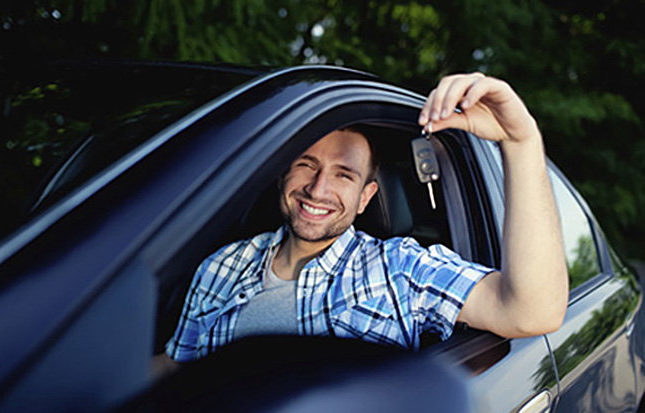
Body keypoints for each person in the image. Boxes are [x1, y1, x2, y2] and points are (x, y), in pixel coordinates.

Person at [157, 72, 568, 371]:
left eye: (343, 175)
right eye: (306, 164)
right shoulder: (221, 264)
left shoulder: (399, 270)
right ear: (282, 175)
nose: (318, 189)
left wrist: (520, 142)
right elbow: (177, 370)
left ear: (365, 198)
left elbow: (531, 312)